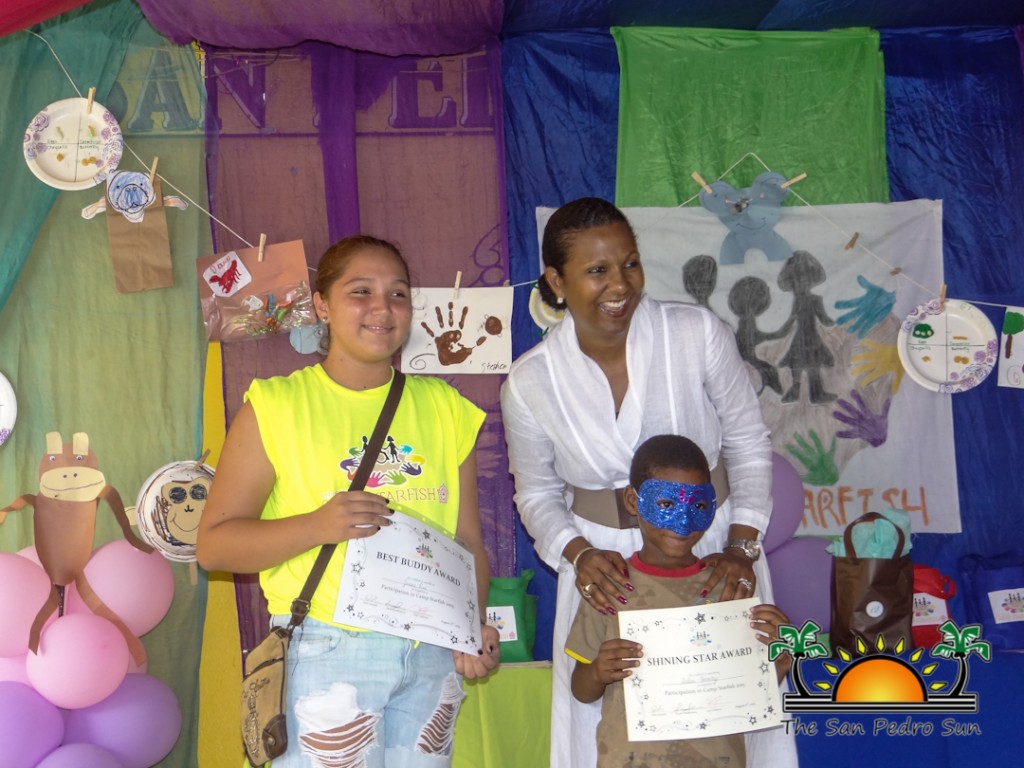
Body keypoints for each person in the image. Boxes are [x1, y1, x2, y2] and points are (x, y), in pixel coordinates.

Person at [499, 197, 797, 767]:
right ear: (556, 282)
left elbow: (747, 440)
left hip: (713, 551)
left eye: (630, 264)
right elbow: (535, 493)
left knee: (732, 706)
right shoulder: (530, 381)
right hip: (605, 569)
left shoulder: (695, 332)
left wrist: (741, 547)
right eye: (597, 270)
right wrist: (579, 555)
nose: (620, 284)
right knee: (606, 715)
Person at [198, 235, 500, 768]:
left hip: (430, 657)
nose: (382, 308)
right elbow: (215, 547)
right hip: (327, 653)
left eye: (398, 294)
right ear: (322, 305)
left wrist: (468, 628)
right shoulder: (276, 404)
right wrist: (317, 525)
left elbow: (468, 542)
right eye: (361, 291)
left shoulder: (447, 408)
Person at [566, 434, 793, 767]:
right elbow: (581, 688)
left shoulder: (729, 588)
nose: (683, 521)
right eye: (666, 504)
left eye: (698, 506)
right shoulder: (609, 585)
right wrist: (599, 671)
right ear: (632, 501)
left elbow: (746, 691)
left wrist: (780, 659)